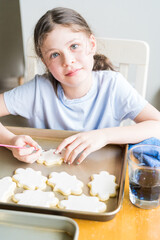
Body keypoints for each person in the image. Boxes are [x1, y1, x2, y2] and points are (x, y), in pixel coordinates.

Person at [0, 7, 160, 164]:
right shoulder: (37, 91)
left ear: (91, 44)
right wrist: (11, 140)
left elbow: (157, 125)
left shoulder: (113, 86)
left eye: (74, 46)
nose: (68, 61)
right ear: (45, 63)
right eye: (55, 55)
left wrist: (104, 136)